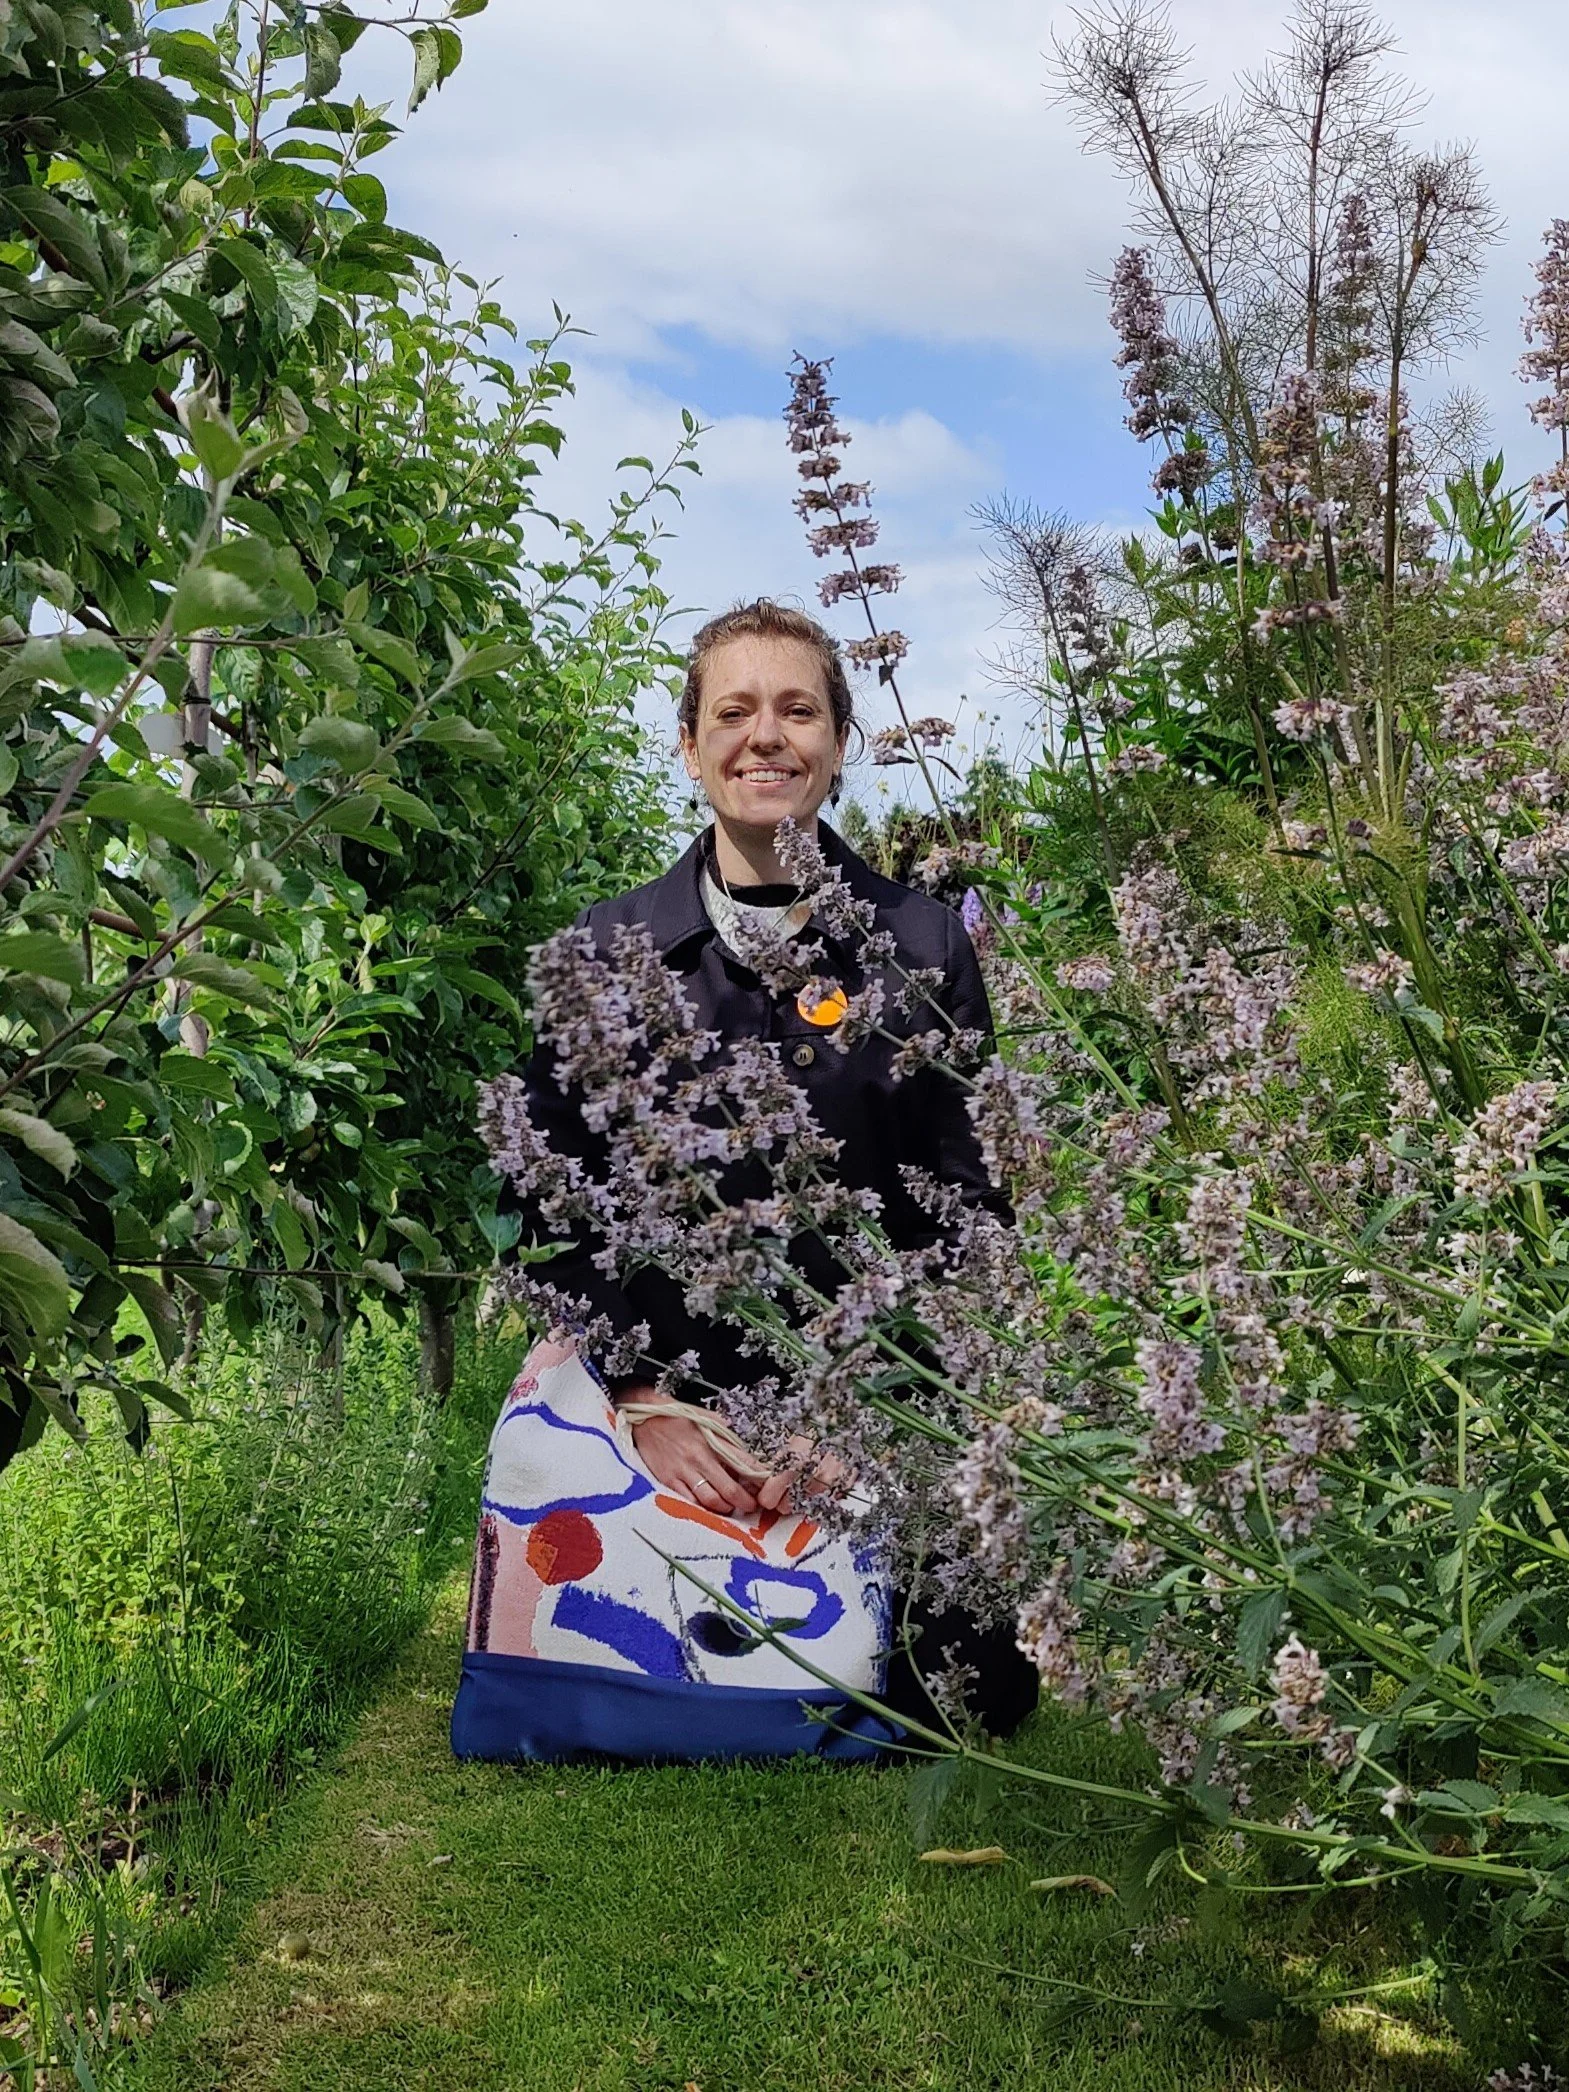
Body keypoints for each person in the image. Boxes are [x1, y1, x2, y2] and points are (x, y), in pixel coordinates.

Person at [501, 598, 1037, 1738]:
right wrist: (641, 1397)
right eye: (733, 712)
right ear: (689, 745)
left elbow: (970, 1208)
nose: (766, 737)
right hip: (666, 1394)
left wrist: (865, 1408)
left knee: (968, 1690)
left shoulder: (922, 943)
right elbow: (544, 1204)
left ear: (839, 744)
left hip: (875, 1387)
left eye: (798, 711)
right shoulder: (605, 952)